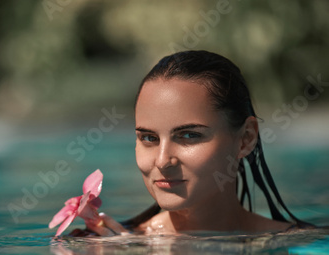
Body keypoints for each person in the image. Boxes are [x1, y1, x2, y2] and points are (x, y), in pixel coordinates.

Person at [70, 50, 314, 237]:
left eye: (188, 136)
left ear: (245, 139)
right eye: (149, 138)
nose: (163, 160)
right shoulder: (102, 246)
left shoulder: (301, 247)